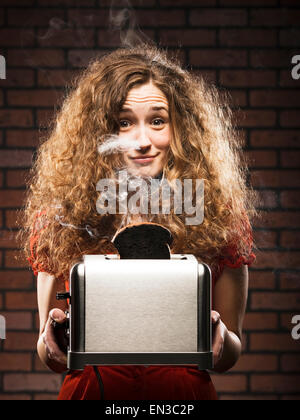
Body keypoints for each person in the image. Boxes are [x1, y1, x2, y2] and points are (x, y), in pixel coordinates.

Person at [21, 44, 257, 400]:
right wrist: (52, 341)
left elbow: (230, 353)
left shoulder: (217, 215)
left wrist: (219, 340)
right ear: (98, 132)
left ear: (181, 129)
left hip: (181, 396)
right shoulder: (62, 217)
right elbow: (50, 356)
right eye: (124, 122)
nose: (143, 141)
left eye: (157, 121)